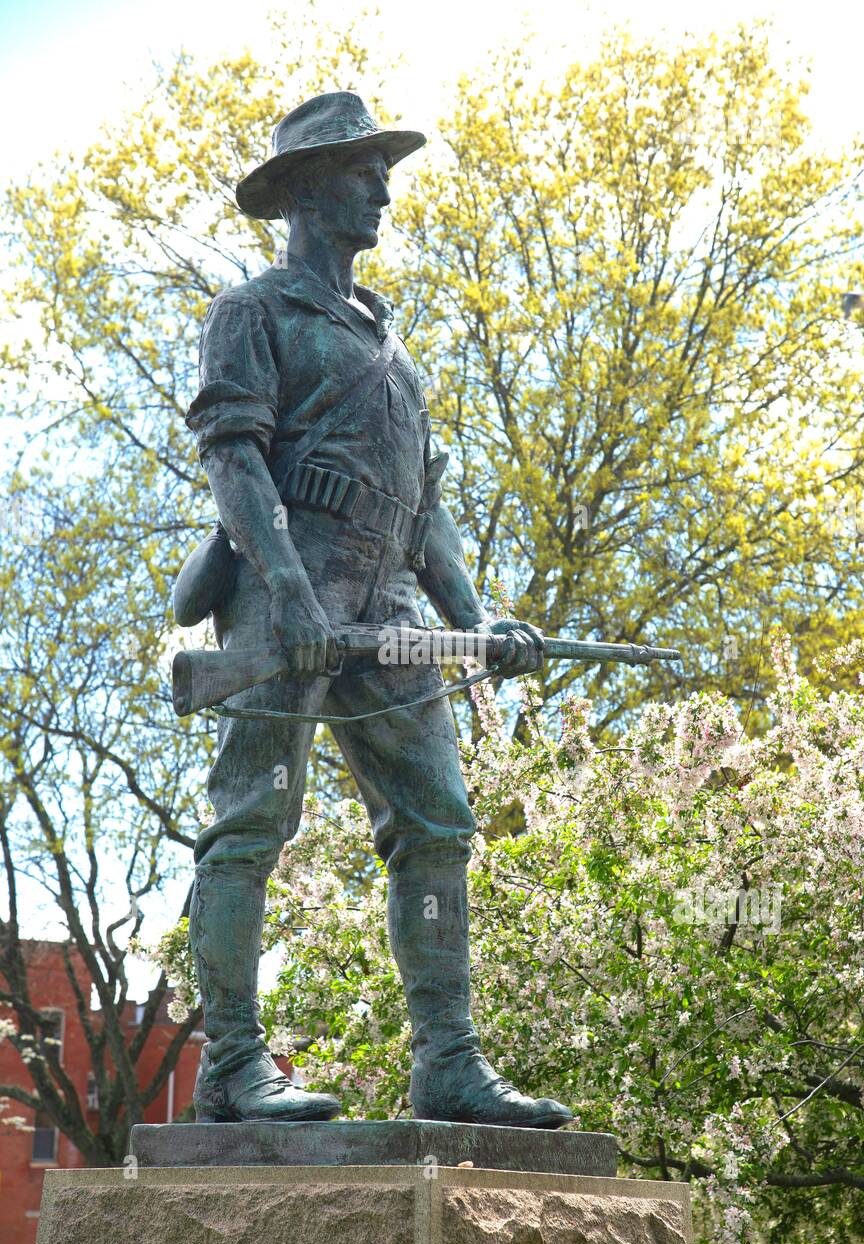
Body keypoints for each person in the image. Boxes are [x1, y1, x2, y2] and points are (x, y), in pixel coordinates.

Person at [183, 91, 572, 1129]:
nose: (384, 188)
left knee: (438, 824)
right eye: (363, 170)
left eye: (384, 169)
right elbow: (233, 459)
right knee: (252, 823)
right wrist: (293, 596)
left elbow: (426, 508)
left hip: (394, 612)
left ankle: (448, 1061)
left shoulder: (391, 348)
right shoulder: (254, 312)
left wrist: (480, 618)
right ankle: (231, 1064)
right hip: (286, 597)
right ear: (308, 189)